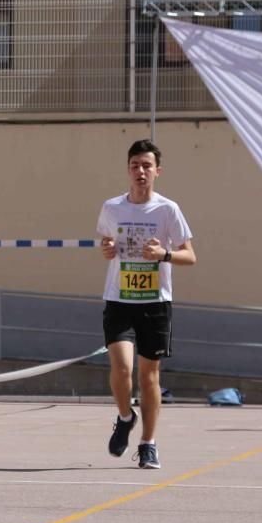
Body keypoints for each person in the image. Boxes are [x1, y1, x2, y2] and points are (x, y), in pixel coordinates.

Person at [97, 140, 195, 469]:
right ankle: (126, 417)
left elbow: (190, 255)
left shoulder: (168, 210)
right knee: (122, 369)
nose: (141, 171)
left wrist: (163, 254)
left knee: (149, 376)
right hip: (119, 299)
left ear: (157, 171)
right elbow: (106, 242)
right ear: (128, 169)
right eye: (135, 165)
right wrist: (107, 249)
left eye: (146, 166)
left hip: (155, 302)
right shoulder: (112, 208)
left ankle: (148, 443)